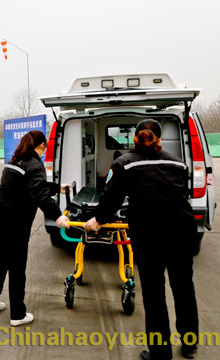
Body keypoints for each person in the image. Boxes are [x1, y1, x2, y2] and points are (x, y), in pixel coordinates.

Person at [83, 120, 199, 360]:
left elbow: (111, 198)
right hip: (182, 232)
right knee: (184, 289)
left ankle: (160, 353)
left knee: (155, 296)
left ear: (135, 138)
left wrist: (98, 219)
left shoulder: (124, 163)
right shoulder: (178, 163)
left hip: (150, 236)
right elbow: (183, 196)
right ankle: (190, 344)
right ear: (160, 138)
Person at [0, 130, 70, 326]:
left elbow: (31, 186)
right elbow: (39, 193)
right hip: (15, 226)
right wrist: (57, 216)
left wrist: (58, 187)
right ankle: (18, 315)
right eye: (45, 146)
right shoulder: (35, 165)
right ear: (41, 145)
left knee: (1, 262)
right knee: (17, 269)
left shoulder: (15, 161)